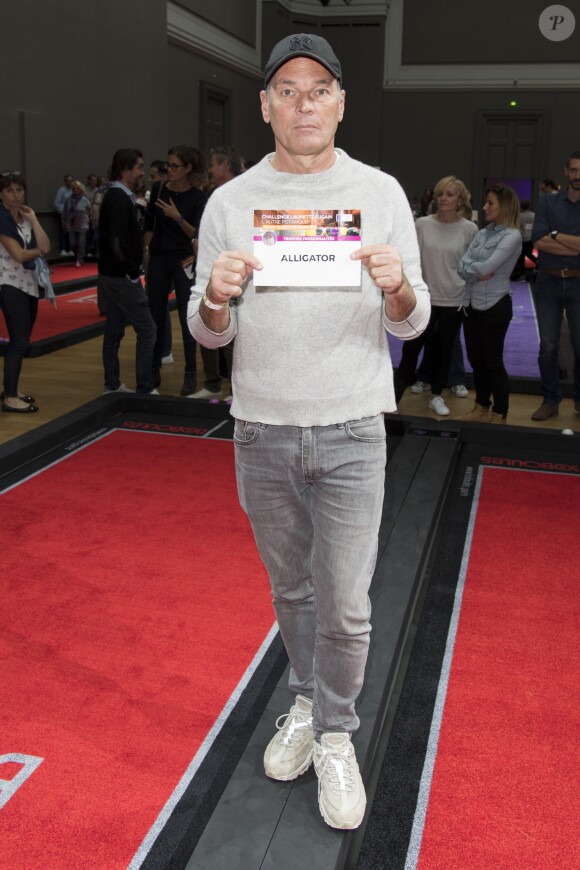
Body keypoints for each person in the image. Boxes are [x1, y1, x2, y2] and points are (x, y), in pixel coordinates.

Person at [187, 33, 430, 830]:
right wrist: (215, 301)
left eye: (318, 89)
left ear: (340, 103)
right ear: (264, 107)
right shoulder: (230, 203)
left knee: (347, 604)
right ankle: (305, 700)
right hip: (261, 430)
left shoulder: (381, 190)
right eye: (286, 90)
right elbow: (210, 333)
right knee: (291, 591)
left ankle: (336, 731)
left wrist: (398, 292)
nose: (303, 103)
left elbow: (414, 318)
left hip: (354, 426)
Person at [394, 175, 477, 415]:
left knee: (444, 350)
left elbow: (472, 266)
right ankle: (393, 399)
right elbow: (410, 260)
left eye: (449, 194)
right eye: (440, 193)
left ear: (460, 200)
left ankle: (437, 395)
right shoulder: (423, 225)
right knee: (411, 350)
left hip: (454, 301)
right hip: (423, 300)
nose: (443, 198)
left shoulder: (469, 229)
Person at [143, 145, 208, 395]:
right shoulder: (159, 190)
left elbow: (198, 234)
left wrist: (177, 217)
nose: (169, 170)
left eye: (174, 166)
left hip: (184, 261)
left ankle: (190, 372)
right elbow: (149, 226)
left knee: (186, 317)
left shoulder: (198, 198)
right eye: (167, 165)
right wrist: (146, 255)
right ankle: (153, 368)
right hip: (158, 259)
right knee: (155, 315)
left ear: (188, 168)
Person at [458, 184, 522, 423]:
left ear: (503, 206)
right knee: (475, 359)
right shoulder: (482, 233)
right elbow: (461, 266)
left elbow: (485, 267)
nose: (484, 207)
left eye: (490, 203)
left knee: (492, 361)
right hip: (471, 304)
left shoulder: (512, 236)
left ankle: (499, 412)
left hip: (495, 306)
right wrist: (475, 270)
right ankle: (481, 405)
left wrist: (472, 268)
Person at [188, 145, 245, 400]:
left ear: (224, 166)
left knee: (232, 334)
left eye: (213, 164)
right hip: (210, 271)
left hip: (237, 273)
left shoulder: (245, 193)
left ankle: (235, 389)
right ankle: (212, 384)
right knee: (205, 321)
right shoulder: (213, 195)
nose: (210, 170)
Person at [98, 148, 157, 395]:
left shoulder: (117, 196)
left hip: (111, 275)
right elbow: (116, 242)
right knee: (147, 328)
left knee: (114, 329)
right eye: (139, 167)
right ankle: (144, 386)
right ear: (126, 168)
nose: (142, 172)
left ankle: (112, 384)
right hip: (120, 277)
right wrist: (131, 271)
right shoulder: (118, 198)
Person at [530, 151, 580, 421]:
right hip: (548, 281)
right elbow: (538, 241)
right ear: (566, 172)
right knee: (547, 346)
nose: (578, 176)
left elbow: (548, 238)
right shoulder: (548, 202)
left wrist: (556, 235)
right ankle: (550, 400)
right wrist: (574, 244)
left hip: (578, 282)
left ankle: (579, 402)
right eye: (573, 170)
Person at [0, 171, 51, 413]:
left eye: (19, 190)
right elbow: (19, 255)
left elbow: (46, 245)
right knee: (19, 341)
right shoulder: (1, 218)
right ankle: (10, 397)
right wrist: (38, 252)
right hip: (8, 284)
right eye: (10, 190)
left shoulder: (25, 217)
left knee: (22, 340)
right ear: (1, 194)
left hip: (28, 283)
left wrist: (35, 221)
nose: (16, 195)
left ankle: (12, 388)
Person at [63, 180, 91, 267]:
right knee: (73, 242)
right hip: (71, 224)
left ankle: (79, 259)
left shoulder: (85, 200)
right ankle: (76, 255)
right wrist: (63, 221)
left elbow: (90, 212)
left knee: (81, 242)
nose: (75, 190)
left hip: (82, 224)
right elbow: (64, 211)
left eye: (77, 188)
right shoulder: (68, 199)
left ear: (80, 189)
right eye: (73, 188)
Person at [511, 199, 536, 280]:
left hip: (522, 239)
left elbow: (516, 228)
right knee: (529, 255)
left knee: (521, 256)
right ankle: (529, 272)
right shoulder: (534, 215)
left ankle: (521, 273)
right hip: (531, 239)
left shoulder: (519, 216)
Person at [54, 173, 73, 256]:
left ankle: (69, 249)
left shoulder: (73, 190)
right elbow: (56, 203)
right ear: (65, 182)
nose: (70, 182)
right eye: (68, 181)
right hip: (62, 214)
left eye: (71, 181)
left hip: (71, 215)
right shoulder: (61, 190)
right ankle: (63, 249)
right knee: (62, 232)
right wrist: (63, 213)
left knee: (70, 233)